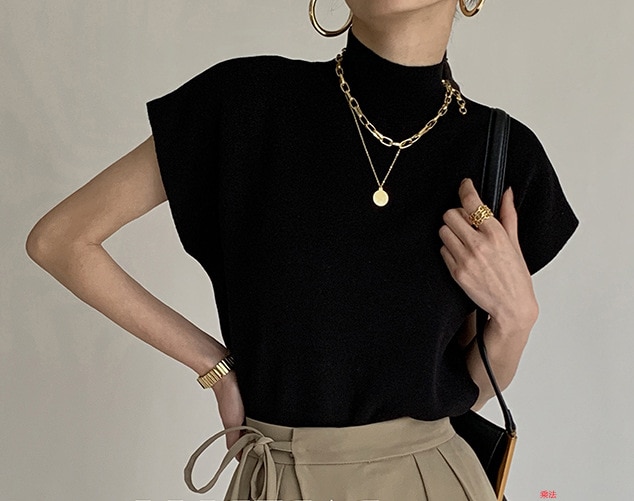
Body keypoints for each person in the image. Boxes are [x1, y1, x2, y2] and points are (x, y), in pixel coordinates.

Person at [25, 0, 579, 500]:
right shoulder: (246, 104)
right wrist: (214, 365)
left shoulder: (504, 155)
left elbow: (468, 389)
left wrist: (517, 318)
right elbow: (61, 241)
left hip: (429, 479)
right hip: (277, 477)